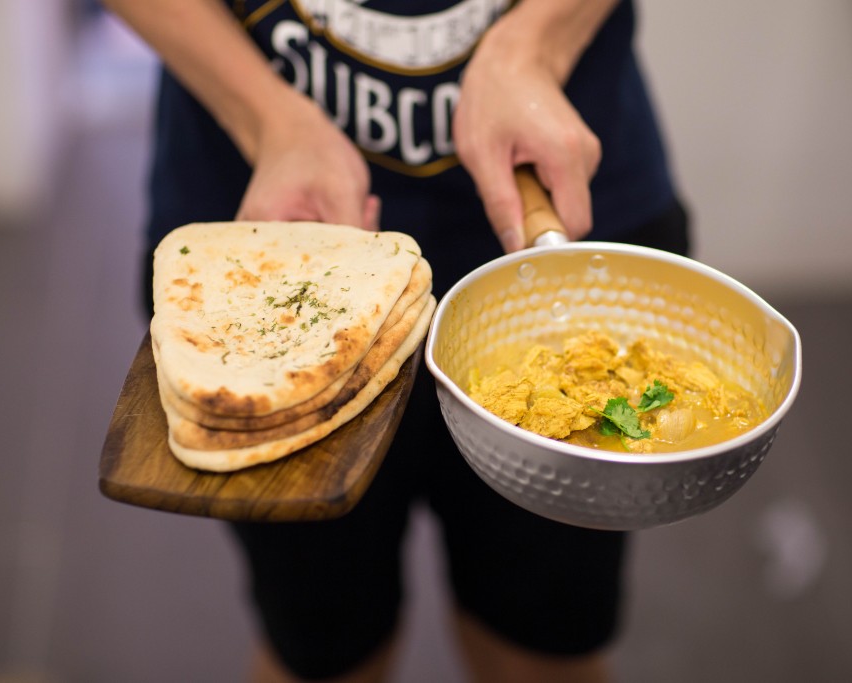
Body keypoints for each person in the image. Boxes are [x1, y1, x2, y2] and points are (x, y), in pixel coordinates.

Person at [102, 0, 689, 681]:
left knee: (541, 645)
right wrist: (266, 116)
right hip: (268, 230)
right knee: (323, 651)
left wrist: (536, 42)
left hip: (552, 193)